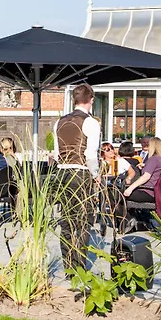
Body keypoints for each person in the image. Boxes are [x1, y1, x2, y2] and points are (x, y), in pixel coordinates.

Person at [53, 83, 100, 272]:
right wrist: (96, 175)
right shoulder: (90, 122)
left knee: (66, 221)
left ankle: (68, 266)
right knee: (82, 221)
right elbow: (91, 155)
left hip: (62, 173)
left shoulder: (59, 122)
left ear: (74, 100)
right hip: (80, 174)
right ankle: (79, 267)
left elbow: (56, 154)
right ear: (91, 100)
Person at [123, 137, 161, 231]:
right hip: (156, 192)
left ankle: (129, 219)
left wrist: (130, 188)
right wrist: (145, 166)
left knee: (118, 193)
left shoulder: (153, 159)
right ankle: (137, 219)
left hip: (148, 192)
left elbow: (146, 177)